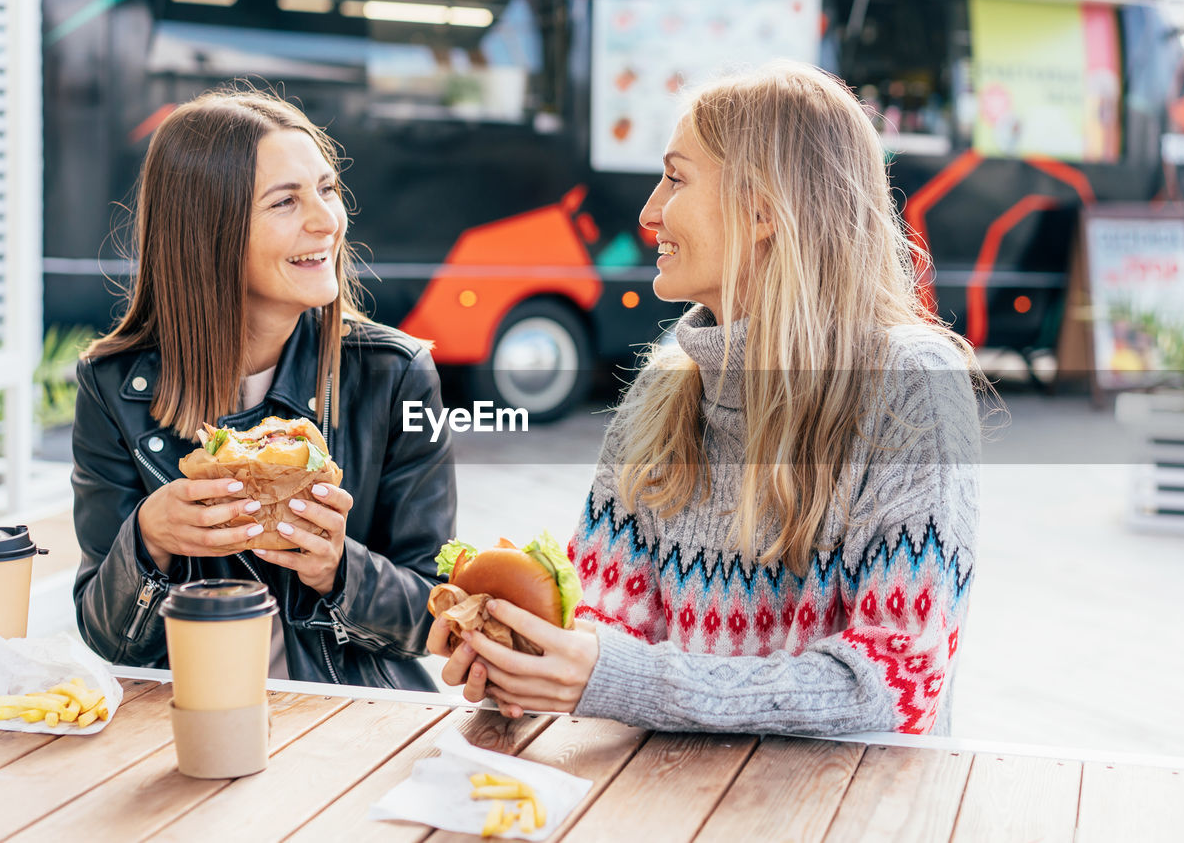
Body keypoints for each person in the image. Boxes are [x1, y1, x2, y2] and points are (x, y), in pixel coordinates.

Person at [429, 62, 984, 734]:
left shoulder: (911, 385)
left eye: (676, 177)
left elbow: (896, 679)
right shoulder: (665, 385)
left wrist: (608, 676)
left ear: (761, 210)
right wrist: (520, 661)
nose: (649, 212)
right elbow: (601, 623)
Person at [72, 87, 454, 689]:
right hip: (188, 716)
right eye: (286, 202)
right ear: (207, 232)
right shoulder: (113, 387)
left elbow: (436, 613)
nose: (327, 220)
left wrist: (339, 567)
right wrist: (148, 539)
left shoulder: (395, 373)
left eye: (327, 189)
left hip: (351, 720)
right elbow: (107, 638)